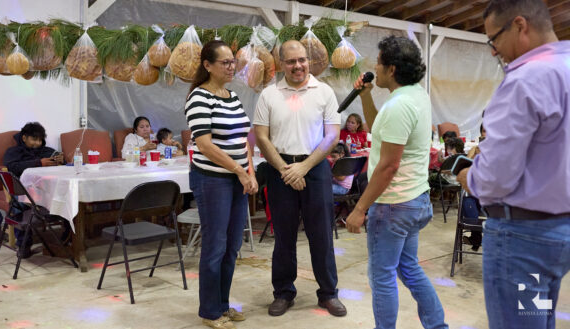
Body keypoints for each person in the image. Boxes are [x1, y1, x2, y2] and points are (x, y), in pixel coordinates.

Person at [457, 0, 570, 329]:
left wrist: (468, 178)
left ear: (520, 25)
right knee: (538, 318)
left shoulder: (525, 80)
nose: (495, 51)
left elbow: (496, 176)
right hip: (560, 230)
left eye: (494, 40)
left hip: (524, 238)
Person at [345, 36, 448, 329]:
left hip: (393, 205)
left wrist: (360, 208)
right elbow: (379, 128)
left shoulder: (399, 106)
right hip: (414, 200)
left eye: (377, 62)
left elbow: (388, 166)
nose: (373, 68)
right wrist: (365, 95)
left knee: (382, 277)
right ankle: (438, 325)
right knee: (408, 269)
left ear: (391, 69)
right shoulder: (415, 95)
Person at [254, 40, 347, 318]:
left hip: (315, 168)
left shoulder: (324, 92)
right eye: (291, 61)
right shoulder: (269, 94)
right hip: (279, 168)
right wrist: (286, 169)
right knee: (283, 236)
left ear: (309, 61)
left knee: (321, 235)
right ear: (282, 64)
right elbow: (261, 136)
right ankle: (283, 292)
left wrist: (304, 167)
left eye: (302, 60)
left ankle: (328, 294)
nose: (298, 66)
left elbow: (332, 136)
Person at [185, 40, 258, 329]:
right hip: (212, 180)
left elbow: (244, 138)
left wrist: (249, 171)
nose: (232, 67)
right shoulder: (199, 98)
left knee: (232, 245)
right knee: (215, 246)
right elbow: (204, 145)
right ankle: (210, 311)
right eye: (225, 62)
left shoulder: (233, 96)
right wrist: (240, 171)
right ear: (207, 65)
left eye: (233, 62)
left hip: (237, 178)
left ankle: (223, 304)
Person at [3, 122, 66, 258]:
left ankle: (66, 239)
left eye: (40, 140)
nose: (37, 143)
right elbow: (11, 167)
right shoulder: (13, 152)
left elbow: (62, 166)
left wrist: (61, 160)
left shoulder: (47, 151)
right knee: (17, 203)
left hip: (49, 190)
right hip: (26, 192)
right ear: (24, 138)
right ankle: (24, 244)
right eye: (34, 139)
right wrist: (39, 163)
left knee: (69, 196)